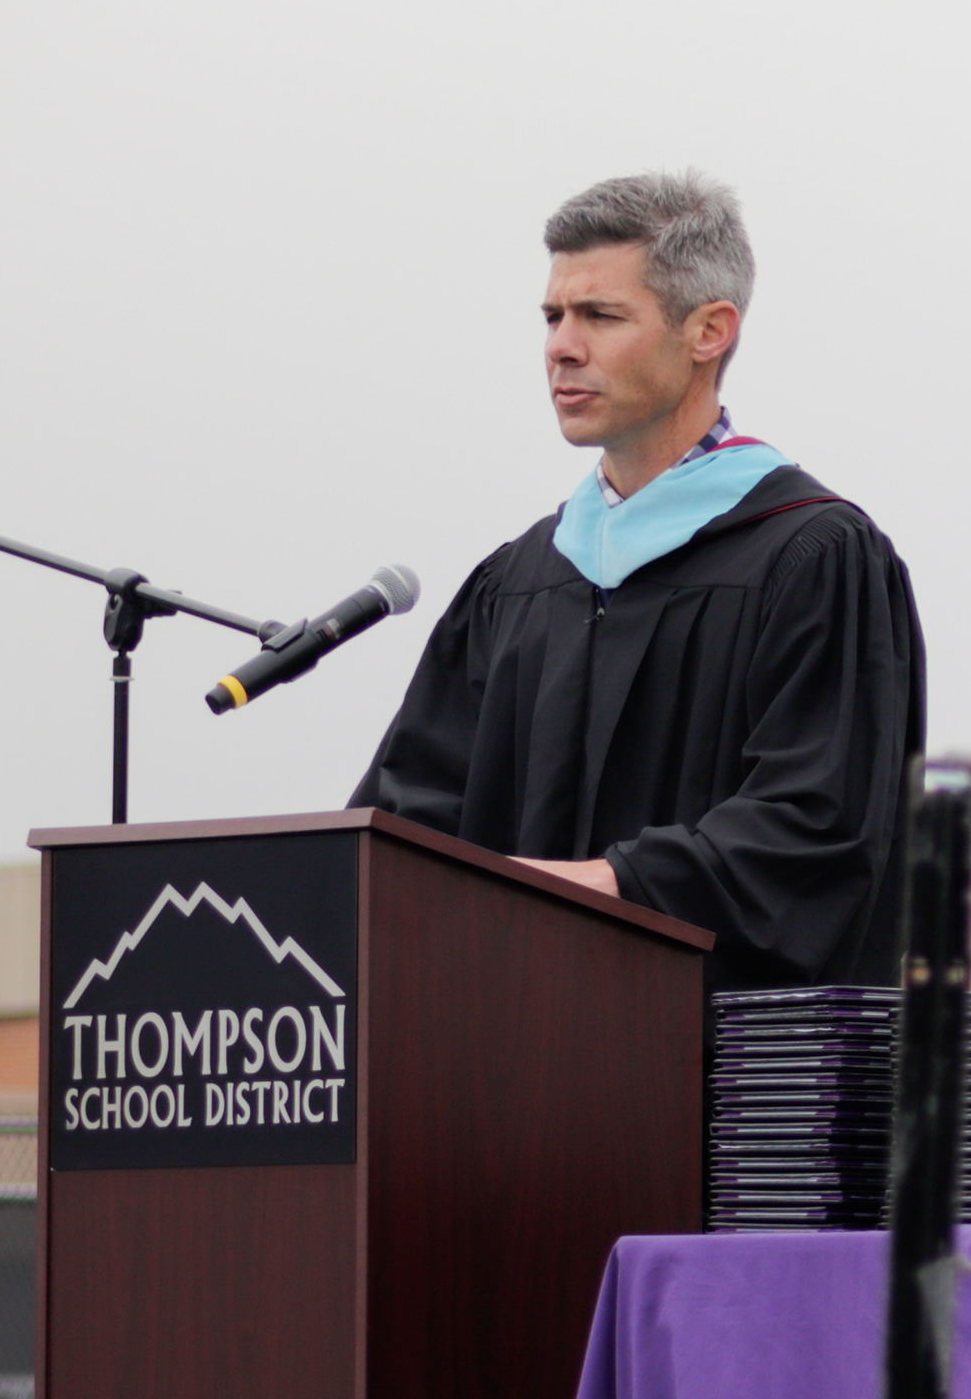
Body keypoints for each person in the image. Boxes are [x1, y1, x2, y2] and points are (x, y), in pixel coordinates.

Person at [350, 171, 925, 987]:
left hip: (717, 1075)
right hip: (498, 1069)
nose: (561, 346)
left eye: (600, 316)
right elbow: (409, 823)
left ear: (709, 332)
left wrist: (611, 883)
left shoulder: (813, 558)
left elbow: (817, 826)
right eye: (553, 316)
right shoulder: (519, 583)